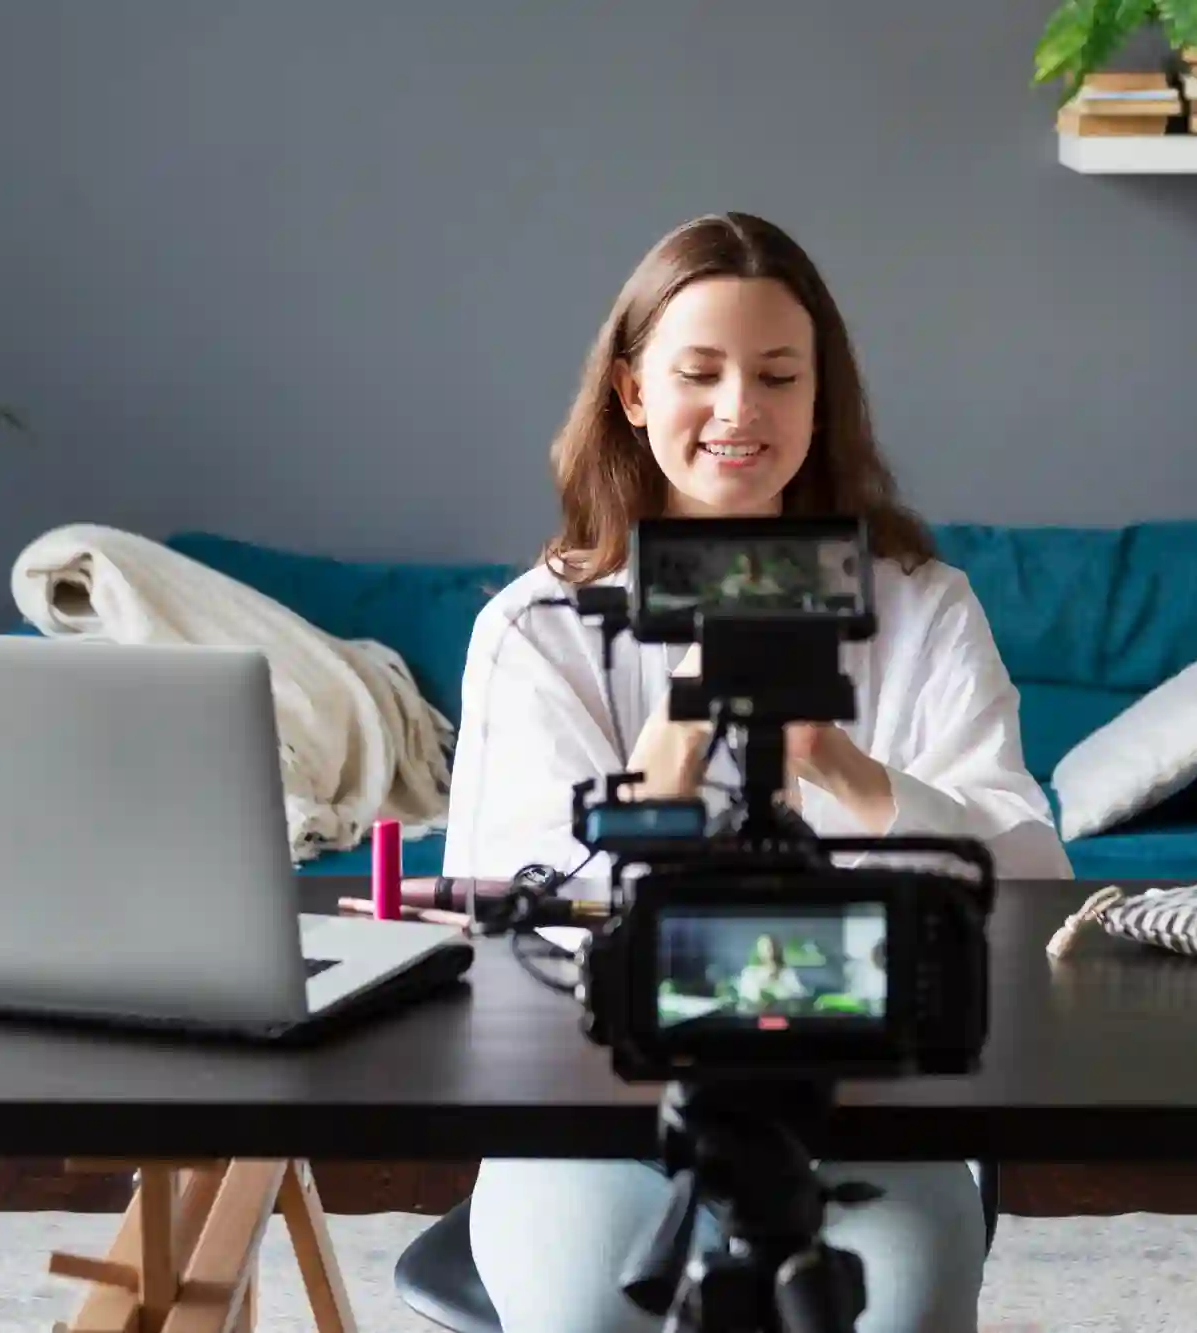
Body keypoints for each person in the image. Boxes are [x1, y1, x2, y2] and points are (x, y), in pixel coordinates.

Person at [442, 211, 1074, 1333]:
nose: (740, 410)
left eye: (779, 375)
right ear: (633, 393)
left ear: (818, 396)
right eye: (700, 372)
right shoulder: (536, 627)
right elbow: (516, 914)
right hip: (591, 1113)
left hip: (867, 1109)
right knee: (592, 1314)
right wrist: (684, 722)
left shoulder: (921, 608)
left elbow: (1029, 880)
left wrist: (838, 760)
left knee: (898, 1310)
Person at [734, 932, 809, 1012]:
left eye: (772, 946)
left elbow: (800, 993)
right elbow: (745, 994)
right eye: (765, 947)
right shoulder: (749, 972)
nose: (769, 950)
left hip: (781, 1014)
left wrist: (779, 987)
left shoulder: (787, 972)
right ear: (758, 949)